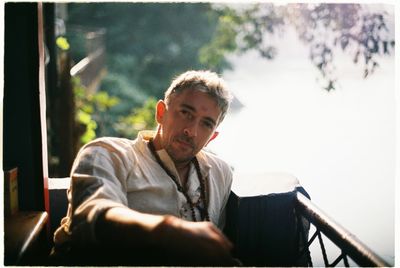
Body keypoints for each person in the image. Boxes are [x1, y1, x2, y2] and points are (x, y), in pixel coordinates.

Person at [52, 70, 238, 266]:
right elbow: (91, 216)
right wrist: (168, 230)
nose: (191, 131)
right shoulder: (107, 154)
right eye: (185, 113)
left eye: (206, 124)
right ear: (161, 112)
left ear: (213, 137)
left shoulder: (220, 173)